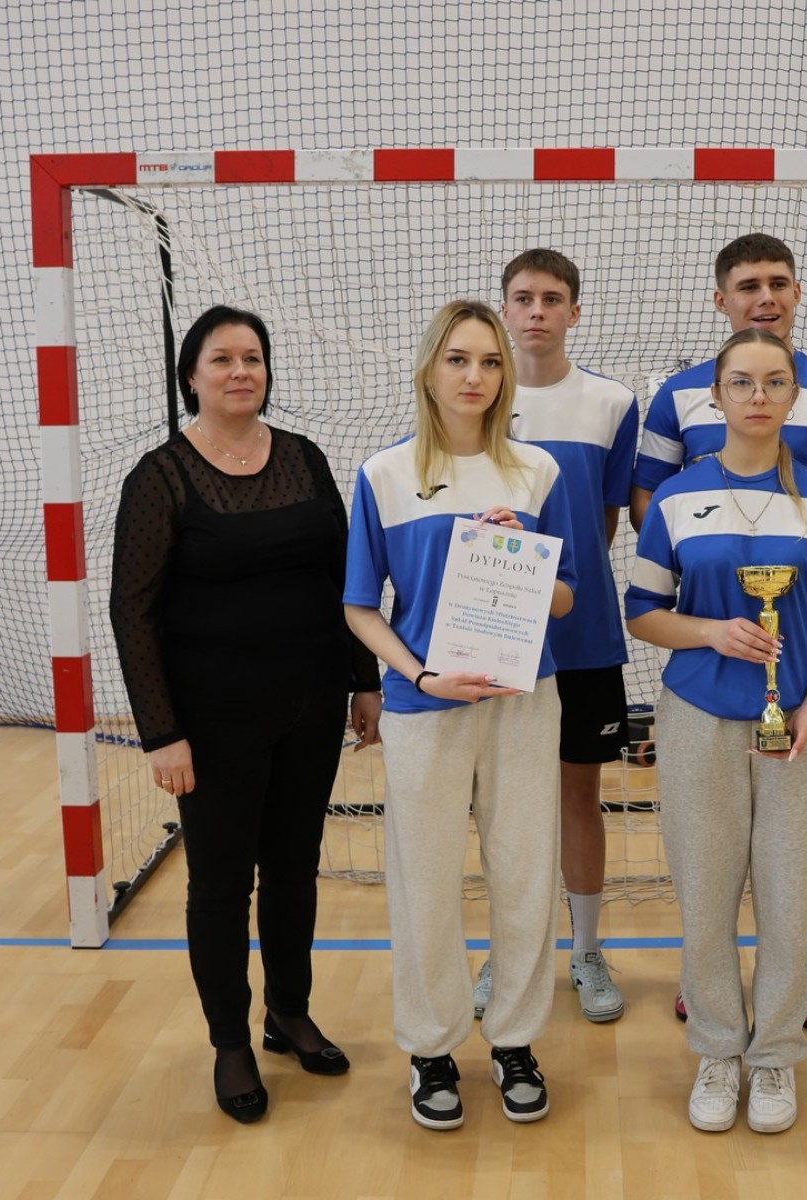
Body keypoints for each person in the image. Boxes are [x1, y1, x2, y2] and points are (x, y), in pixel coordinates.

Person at [109, 304, 383, 1125]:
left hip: (311, 704)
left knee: (294, 867)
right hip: (212, 720)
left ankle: (288, 1013)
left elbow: (345, 577)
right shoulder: (160, 477)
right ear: (191, 375)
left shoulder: (303, 457)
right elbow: (132, 612)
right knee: (221, 883)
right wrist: (162, 734)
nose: (240, 372)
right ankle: (230, 1041)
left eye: (253, 358)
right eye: (223, 359)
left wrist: (363, 681)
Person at [630, 232, 807, 1031]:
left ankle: (782, 1015)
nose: (765, 296)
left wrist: (803, 569)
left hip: (798, 670)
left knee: (789, 876)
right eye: (748, 284)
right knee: (705, 876)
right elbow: (647, 516)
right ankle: (711, 1008)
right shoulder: (677, 419)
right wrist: (710, 591)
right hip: (704, 688)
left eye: (779, 282)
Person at [343, 300, 577, 1131]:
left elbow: (565, 597)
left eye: (488, 361)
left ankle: (515, 1040)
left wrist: (523, 552)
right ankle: (432, 1048)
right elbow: (359, 606)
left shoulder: (538, 473)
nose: (474, 376)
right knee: (426, 883)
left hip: (523, 701)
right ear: (429, 370)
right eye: (457, 359)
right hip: (424, 706)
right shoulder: (382, 474)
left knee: (525, 876)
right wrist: (419, 673)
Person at [462, 250, 639, 1024]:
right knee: (505, 804)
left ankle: (587, 951)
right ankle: (509, 950)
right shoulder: (473, 400)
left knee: (578, 795)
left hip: (584, 634)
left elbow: (604, 521)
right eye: (524, 298)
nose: (537, 311)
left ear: (575, 311)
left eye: (553, 298)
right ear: (505, 309)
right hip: (497, 637)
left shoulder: (612, 402)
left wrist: (561, 587)